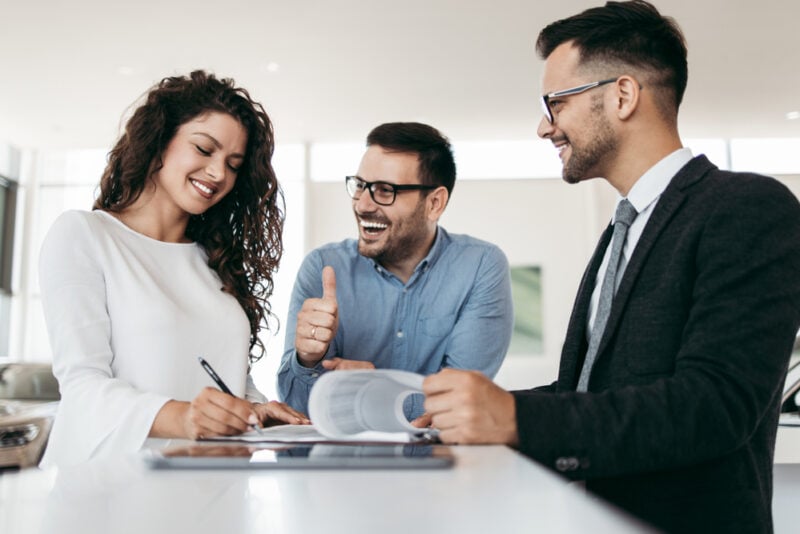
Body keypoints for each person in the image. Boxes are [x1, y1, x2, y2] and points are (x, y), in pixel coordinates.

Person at [422, 2, 800, 533]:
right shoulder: (620, 233)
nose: (543, 126)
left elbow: (714, 406)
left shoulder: (749, 207)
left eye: (554, 103)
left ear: (622, 95)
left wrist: (515, 419)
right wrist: (465, 409)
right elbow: (593, 394)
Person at [39, 71, 309, 468]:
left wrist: (253, 408)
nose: (218, 173)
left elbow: (222, 373)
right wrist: (184, 417)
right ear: (160, 140)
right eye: (204, 149)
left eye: (233, 164)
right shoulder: (85, 235)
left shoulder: (214, 262)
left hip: (210, 492)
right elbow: (82, 389)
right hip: (107, 494)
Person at [277, 122, 513, 419]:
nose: (362, 204)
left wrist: (376, 389)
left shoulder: (481, 267)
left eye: (384, 191)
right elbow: (296, 409)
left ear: (435, 203)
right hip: (342, 463)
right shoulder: (323, 268)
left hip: (442, 463)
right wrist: (308, 360)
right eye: (360, 185)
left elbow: (459, 403)